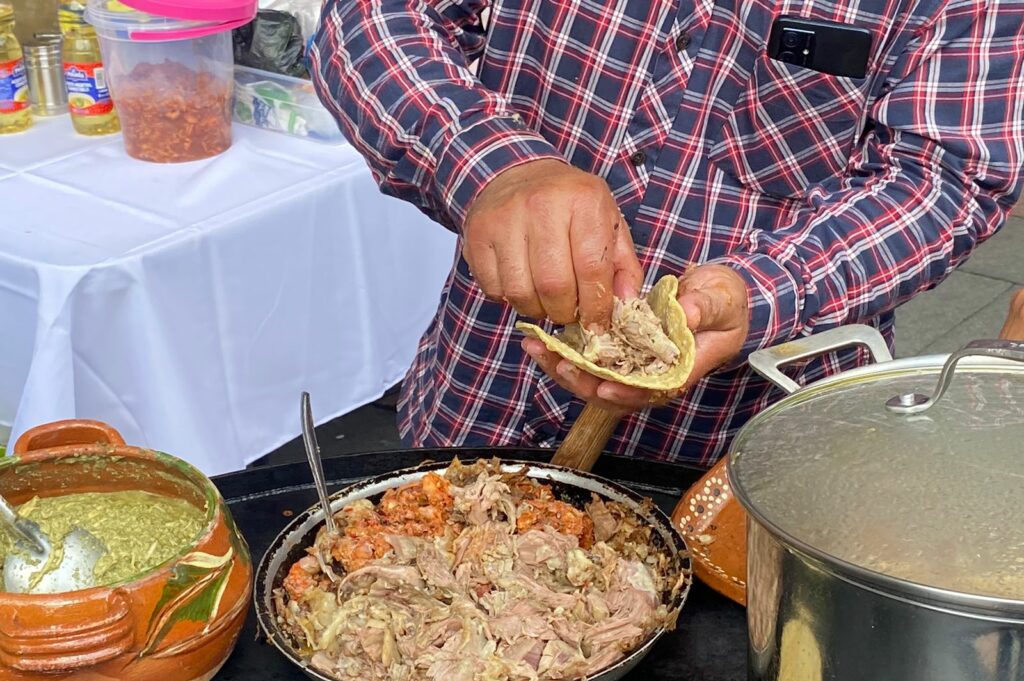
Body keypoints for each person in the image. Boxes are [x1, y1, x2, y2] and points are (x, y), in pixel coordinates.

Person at [311, 1, 1024, 467]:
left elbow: (947, 173)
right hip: (482, 385)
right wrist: (490, 163)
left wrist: (766, 290)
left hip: (741, 454)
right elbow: (374, 20)